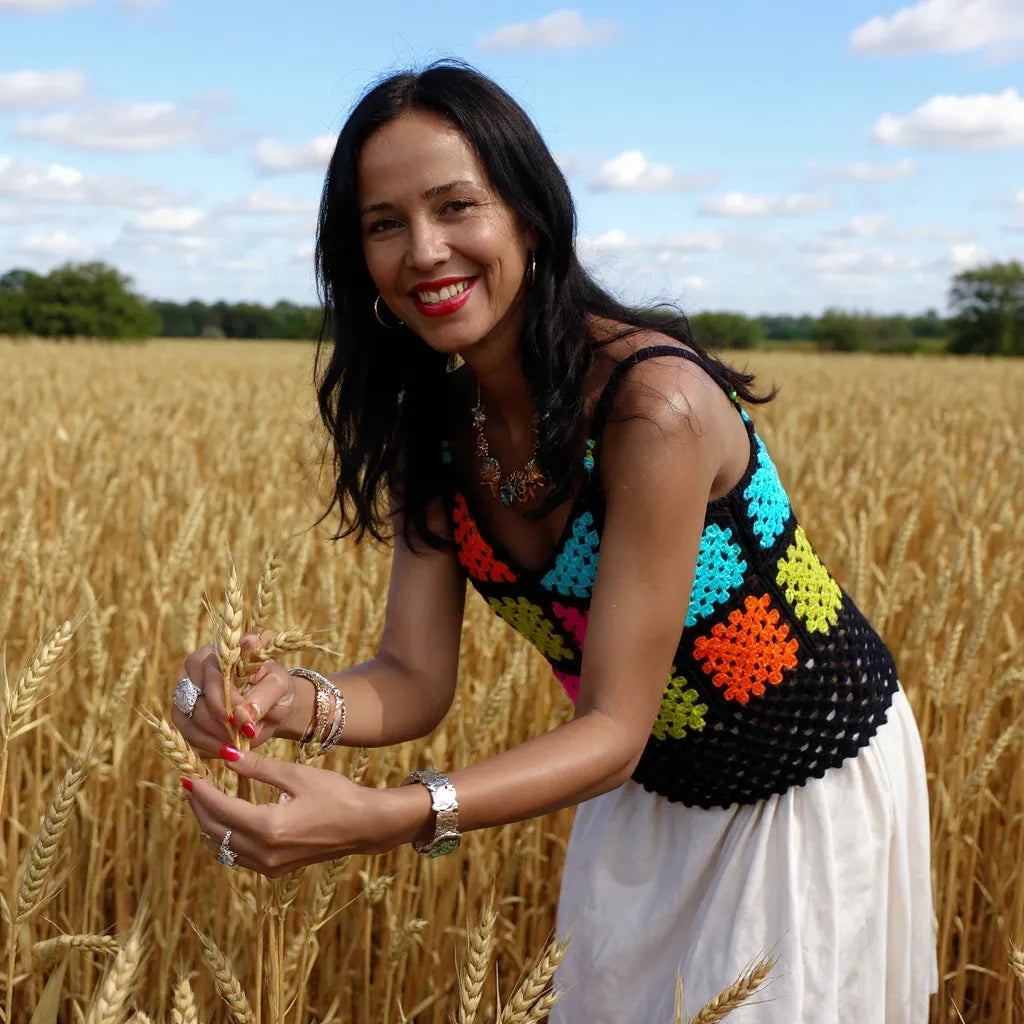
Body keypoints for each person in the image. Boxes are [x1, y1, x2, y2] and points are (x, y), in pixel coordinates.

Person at [172, 61, 937, 1022]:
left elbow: (612, 728)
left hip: (801, 792)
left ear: (530, 217)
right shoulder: (437, 424)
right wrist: (288, 700)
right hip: (651, 796)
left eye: (457, 206)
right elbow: (413, 675)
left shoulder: (651, 409)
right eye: (383, 223)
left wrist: (393, 816)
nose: (424, 250)